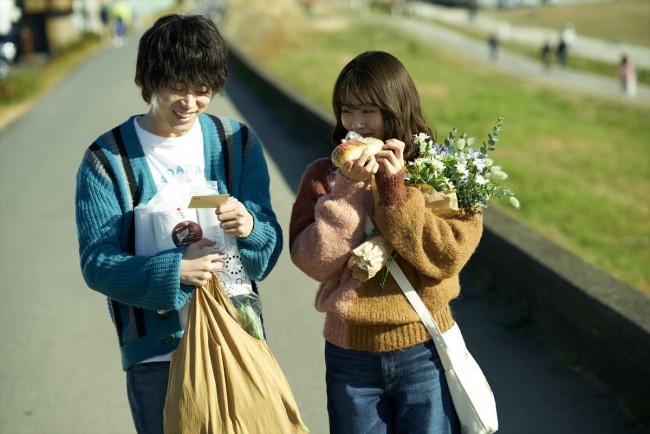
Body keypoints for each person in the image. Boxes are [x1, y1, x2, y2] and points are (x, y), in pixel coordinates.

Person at [75, 14, 282, 434]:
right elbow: (97, 262)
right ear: (149, 80)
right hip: (157, 360)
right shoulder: (107, 159)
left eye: (203, 91)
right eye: (177, 88)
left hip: (237, 340)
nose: (189, 103)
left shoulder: (235, 143)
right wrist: (176, 272)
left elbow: (266, 250)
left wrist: (251, 228)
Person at [289, 51, 484, 433]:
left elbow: (446, 257)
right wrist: (345, 190)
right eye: (346, 111)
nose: (356, 124)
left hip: (425, 348)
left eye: (368, 111)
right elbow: (312, 262)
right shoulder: (324, 174)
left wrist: (395, 193)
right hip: (349, 353)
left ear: (396, 109)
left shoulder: (444, 171)